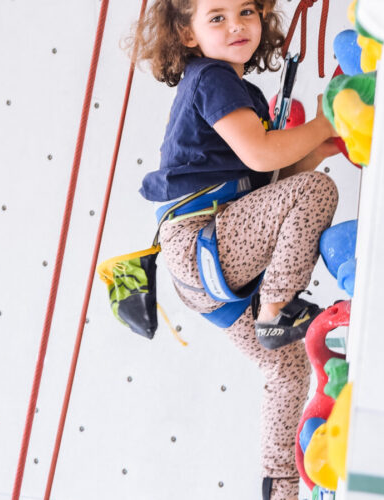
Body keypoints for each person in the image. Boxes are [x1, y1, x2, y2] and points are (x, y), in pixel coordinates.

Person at [128, 0, 340, 498]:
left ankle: (281, 484)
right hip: (203, 241)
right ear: (187, 35)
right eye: (216, 17)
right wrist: (324, 123)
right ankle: (276, 306)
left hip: (204, 265)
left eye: (246, 11)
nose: (237, 25)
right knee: (317, 194)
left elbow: (268, 184)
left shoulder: (239, 90)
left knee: (284, 365)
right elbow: (262, 154)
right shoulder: (211, 79)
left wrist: (314, 151)